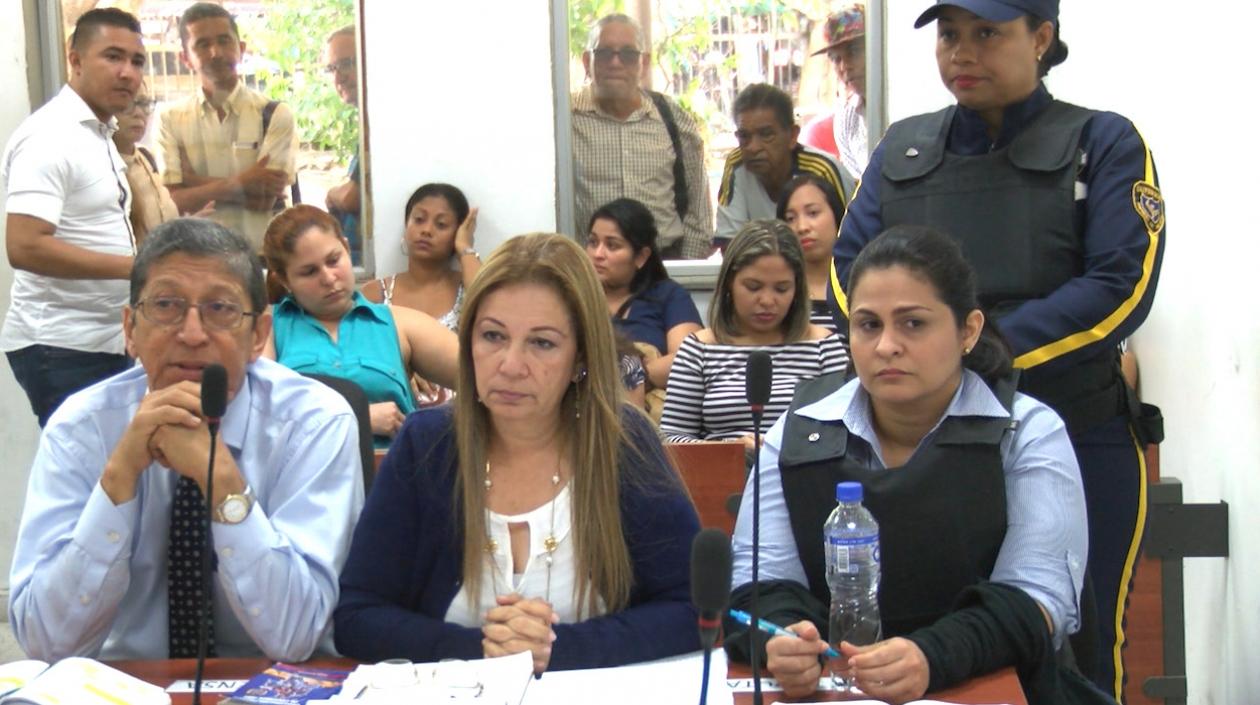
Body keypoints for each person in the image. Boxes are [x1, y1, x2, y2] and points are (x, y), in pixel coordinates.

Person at [830, 1, 1165, 697]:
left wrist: (975, 355)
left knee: (1084, 649)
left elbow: (1120, 283)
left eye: (988, 34)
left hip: (1077, 429)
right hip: (926, 445)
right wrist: (943, 361)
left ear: (1041, 39)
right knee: (925, 637)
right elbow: (848, 269)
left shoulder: (1102, 142)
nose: (962, 52)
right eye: (950, 35)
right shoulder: (902, 149)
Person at [727, 226, 1098, 705]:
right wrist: (777, 639)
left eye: (913, 324)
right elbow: (760, 582)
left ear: (968, 330)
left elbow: (1037, 597)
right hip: (838, 690)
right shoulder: (797, 431)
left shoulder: (1025, 430)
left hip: (991, 685)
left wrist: (931, 656)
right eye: (868, 325)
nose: (885, 347)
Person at [334, 233, 701, 672]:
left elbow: (694, 608)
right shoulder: (427, 445)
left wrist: (557, 648)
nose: (510, 365)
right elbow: (358, 617)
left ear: (580, 356)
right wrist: (484, 648)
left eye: (542, 343)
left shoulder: (624, 445)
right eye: (492, 336)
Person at [8, 217, 364, 661]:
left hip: (269, 686)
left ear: (258, 336)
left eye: (220, 309)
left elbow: (295, 635)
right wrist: (117, 480)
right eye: (166, 305)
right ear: (130, 329)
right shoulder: (81, 428)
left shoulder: (314, 423)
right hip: (127, 688)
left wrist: (225, 484)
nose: (192, 334)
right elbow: (47, 644)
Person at [2, 8, 146, 427]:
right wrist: (135, 269)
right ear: (76, 59)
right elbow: (25, 246)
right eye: (113, 57)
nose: (127, 73)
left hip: (103, 341)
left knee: (115, 477)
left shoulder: (96, 131)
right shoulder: (51, 135)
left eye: (137, 61)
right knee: (87, 481)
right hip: (62, 346)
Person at [262, 205, 459, 442]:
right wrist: (358, 416)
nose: (328, 277)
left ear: (346, 248)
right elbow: (258, 415)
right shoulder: (269, 326)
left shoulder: (398, 323)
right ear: (284, 279)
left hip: (392, 472)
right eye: (309, 272)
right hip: (307, 474)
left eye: (333, 260)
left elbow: (484, 376)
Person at [660, 220, 847, 453]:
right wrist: (729, 449)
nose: (767, 301)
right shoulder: (698, 349)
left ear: (797, 288)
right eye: (753, 287)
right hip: (721, 482)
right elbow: (670, 442)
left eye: (781, 289)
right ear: (729, 283)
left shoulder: (824, 346)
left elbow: (846, 432)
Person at [572, 13, 714, 259]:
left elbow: (698, 213)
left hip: (662, 267)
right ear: (587, 61)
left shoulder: (673, 119)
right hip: (592, 273)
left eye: (628, 54)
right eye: (605, 53)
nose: (616, 63)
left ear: (644, 63)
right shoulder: (566, 120)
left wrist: (682, 274)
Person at [159, 2, 297, 252]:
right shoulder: (169, 118)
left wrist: (192, 182)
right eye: (202, 44)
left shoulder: (274, 114)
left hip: (260, 258)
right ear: (185, 58)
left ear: (241, 48)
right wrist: (245, 181)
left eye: (224, 41)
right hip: (199, 257)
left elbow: (265, 198)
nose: (216, 52)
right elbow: (170, 202)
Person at [585, 197, 702, 394]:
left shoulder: (667, 296)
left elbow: (689, 360)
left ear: (641, 257)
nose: (598, 254)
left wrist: (633, 377)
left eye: (612, 245)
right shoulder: (575, 298)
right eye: (593, 242)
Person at [716, 84, 854, 247]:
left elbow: (851, 241)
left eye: (766, 135)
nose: (753, 147)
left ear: (792, 136)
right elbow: (730, 245)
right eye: (744, 136)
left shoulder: (822, 170)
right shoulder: (736, 165)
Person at [362, 183, 479, 332]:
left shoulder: (467, 288)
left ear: (457, 232)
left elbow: (491, 303)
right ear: (406, 224)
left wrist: (464, 246)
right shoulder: (375, 294)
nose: (426, 230)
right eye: (419, 219)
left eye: (441, 224)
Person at [113, 81, 192, 244]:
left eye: (143, 103)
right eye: (127, 103)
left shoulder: (144, 157)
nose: (138, 113)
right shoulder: (100, 169)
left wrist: (187, 228)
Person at [799, 4, 869, 181]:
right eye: (836, 59)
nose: (844, 67)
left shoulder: (901, 103)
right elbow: (858, 186)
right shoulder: (846, 119)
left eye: (853, 52)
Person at [777, 174, 847, 332]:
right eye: (790, 218)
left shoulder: (856, 283)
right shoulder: (778, 291)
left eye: (813, 213)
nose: (802, 227)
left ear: (837, 216)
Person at [321, 25, 362, 264]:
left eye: (348, 63)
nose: (339, 76)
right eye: (332, 68)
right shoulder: (366, 120)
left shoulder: (382, 122)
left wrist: (332, 194)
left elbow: (352, 198)